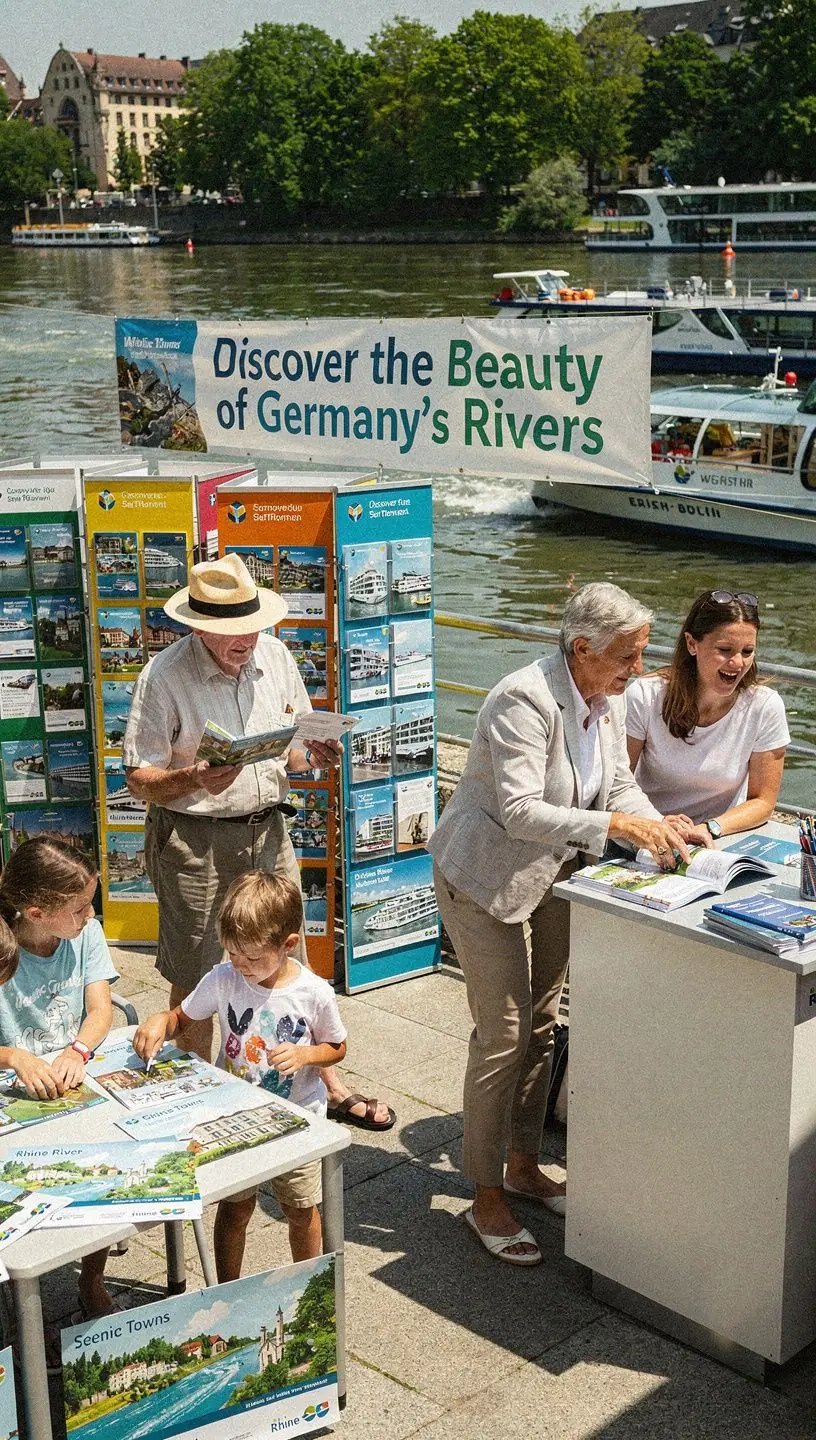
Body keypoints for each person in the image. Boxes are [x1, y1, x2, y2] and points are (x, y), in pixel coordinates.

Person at [428, 583, 710, 1267]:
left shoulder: (604, 701)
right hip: (485, 874)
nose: (638, 669)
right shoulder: (521, 699)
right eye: (629, 656)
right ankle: (484, 1193)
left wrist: (654, 821)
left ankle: (523, 1163)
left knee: (545, 1020)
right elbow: (522, 810)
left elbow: (616, 785)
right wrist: (618, 826)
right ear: (583, 648)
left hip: (555, 871)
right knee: (502, 1034)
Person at [123, 552, 394, 1131]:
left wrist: (313, 751)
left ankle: (322, 1082)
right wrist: (193, 776)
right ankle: (197, 1101)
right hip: (194, 839)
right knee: (197, 973)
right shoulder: (163, 676)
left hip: (267, 829)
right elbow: (138, 776)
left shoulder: (275, 656)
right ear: (198, 626)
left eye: (251, 624)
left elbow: (289, 752)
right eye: (229, 631)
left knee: (287, 960)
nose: (245, 638)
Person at [133, 872, 346, 1275]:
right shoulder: (223, 978)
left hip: (296, 1119)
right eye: (233, 953)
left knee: (300, 1209)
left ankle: (308, 1281)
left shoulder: (313, 992)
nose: (240, 965)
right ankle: (227, 1286)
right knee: (234, 1208)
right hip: (234, 1117)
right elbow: (183, 1017)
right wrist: (162, 1019)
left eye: (251, 957)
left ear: (288, 945)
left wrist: (305, 1056)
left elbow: (337, 1048)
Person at [0, 838, 119, 1317]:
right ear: (36, 912)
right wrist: (11, 1055)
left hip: (70, 1080)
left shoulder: (84, 934)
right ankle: (24, 1309)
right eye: (80, 908)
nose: (90, 916)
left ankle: (92, 1275)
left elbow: (100, 1009)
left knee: (108, 1172)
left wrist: (80, 1048)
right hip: (14, 1092)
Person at [626, 589, 790, 836]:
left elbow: (763, 802)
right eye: (725, 650)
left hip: (715, 839)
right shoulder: (645, 695)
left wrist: (710, 828)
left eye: (747, 651)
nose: (737, 663)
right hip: (646, 831)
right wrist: (657, 825)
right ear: (692, 644)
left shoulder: (765, 706)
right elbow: (618, 783)